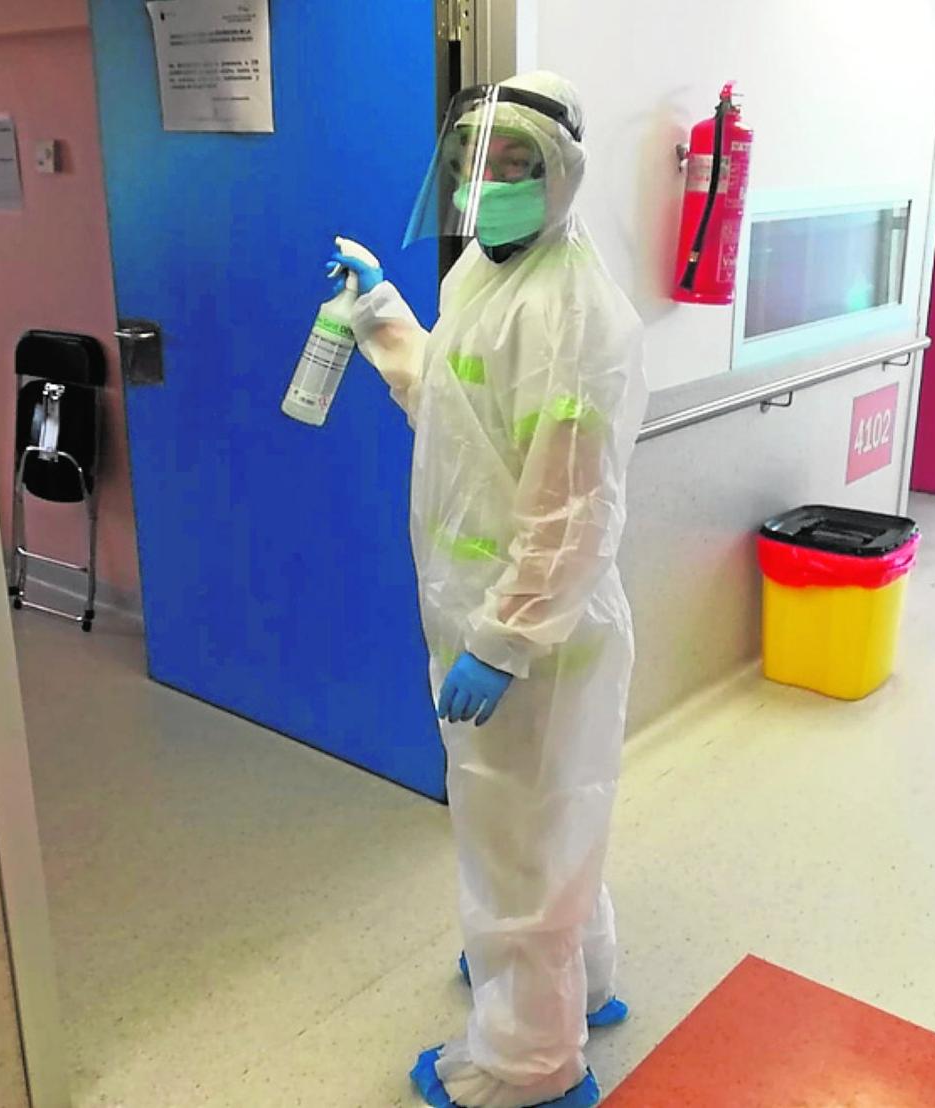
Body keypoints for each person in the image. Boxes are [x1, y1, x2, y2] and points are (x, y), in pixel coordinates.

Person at [333, 70, 646, 1108]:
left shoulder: (573, 313)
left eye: (519, 163)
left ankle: (528, 1065)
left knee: (515, 846)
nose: (491, 180)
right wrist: (380, 312)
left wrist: (505, 639)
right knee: (551, 821)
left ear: (563, 174)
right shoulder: (484, 271)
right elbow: (457, 415)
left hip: (533, 630)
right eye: (478, 159)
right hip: (495, 612)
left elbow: (573, 511)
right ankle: (577, 980)